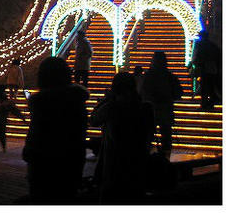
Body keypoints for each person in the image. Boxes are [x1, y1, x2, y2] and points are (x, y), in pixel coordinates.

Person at [22, 57, 89, 203]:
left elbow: (36, 135)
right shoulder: (77, 101)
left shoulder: (40, 103)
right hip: (71, 163)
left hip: (42, 165)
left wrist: (28, 153)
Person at [91, 72, 155, 203]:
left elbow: (93, 119)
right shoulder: (146, 108)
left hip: (113, 170)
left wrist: (106, 100)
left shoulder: (112, 107)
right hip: (138, 168)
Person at [142, 51, 183, 159]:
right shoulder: (169, 76)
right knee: (166, 137)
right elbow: (178, 93)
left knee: (149, 136)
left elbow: (143, 92)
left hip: (151, 110)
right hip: (165, 110)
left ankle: (147, 158)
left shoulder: (148, 76)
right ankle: (165, 159)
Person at [192, 30, 221, 110]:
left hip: (204, 69)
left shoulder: (201, 45)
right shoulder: (213, 46)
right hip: (212, 70)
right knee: (210, 88)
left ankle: (205, 104)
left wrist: (195, 64)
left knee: (205, 88)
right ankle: (210, 104)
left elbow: (197, 57)